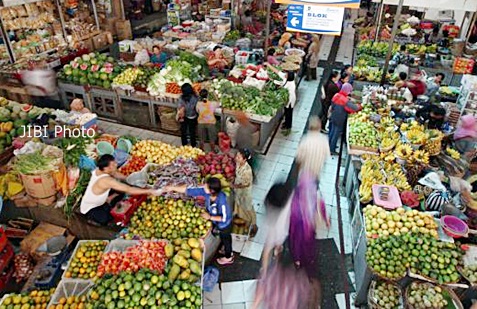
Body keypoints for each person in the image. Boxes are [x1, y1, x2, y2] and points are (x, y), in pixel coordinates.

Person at [164, 178, 234, 265]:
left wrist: (210, 217)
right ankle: (225, 249)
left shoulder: (221, 200)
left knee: (226, 238)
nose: (203, 186)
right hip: (216, 222)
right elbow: (188, 191)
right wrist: (172, 188)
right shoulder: (206, 192)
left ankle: (229, 257)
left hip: (225, 224)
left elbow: (224, 218)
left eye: (206, 186)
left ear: (211, 190)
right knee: (223, 237)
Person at [80, 155, 159, 226]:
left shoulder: (101, 169)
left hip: (100, 195)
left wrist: (131, 179)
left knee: (120, 193)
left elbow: (116, 174)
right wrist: (149, 191)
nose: (116, 165)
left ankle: (109, 199)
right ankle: (92, 218)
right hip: (92, 207)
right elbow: (128, 190)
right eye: (113, 165)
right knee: (107, 218)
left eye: (115, 163)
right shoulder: (105, 180)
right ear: (106, 168)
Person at [329, 83, 361, 155]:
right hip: (339, 119)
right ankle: (332, 149)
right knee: (336, 134)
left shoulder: (336, 95)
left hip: (334, 116)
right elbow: (355, 108)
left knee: (332, 131)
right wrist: (360, 106)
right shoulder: (344, 100)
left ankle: (330, 145)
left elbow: (333, 105)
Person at [296, 117, 330, 181]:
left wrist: (298, 171)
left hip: (305, 174)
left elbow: (299, 159)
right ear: (319, 127)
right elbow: (326, 156)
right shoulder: (324, 140)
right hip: (316, 173)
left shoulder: (305, 140)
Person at [233, 148, 258, 237]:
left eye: (239, 157)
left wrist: (234, 186)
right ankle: (244, 220)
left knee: (249, 208)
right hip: (239, 191)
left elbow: (246, 184)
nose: (236, 158)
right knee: (240, 205)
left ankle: (254, 226)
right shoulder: (238, 163)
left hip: (245, 192)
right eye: (237, 156)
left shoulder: (247, 170)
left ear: (244, 159)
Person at [266, 63, 297, 134]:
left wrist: (272, 80)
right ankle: (286, 122)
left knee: (289, 112)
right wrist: (269, 65)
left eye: (286, 74)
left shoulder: (290, 84)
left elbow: (281, 85)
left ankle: (288, 125)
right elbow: (278, 72)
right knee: (286, 111)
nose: (285, 74)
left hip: (290, 99)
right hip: (288, 98)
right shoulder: (286, 78)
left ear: (288, 77)